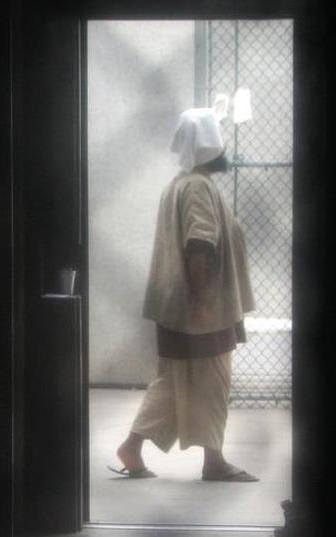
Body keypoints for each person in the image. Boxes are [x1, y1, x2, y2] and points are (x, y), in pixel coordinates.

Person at [108, 107, 259, 482]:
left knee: (174, 382)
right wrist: (204, 298)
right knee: (213, 381)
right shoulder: (198, 187)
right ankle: (214, 461)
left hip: (179, 309)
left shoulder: (179, 183)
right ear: (210, 145)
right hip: (202, 309)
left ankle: (132, 447)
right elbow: (200, 242)